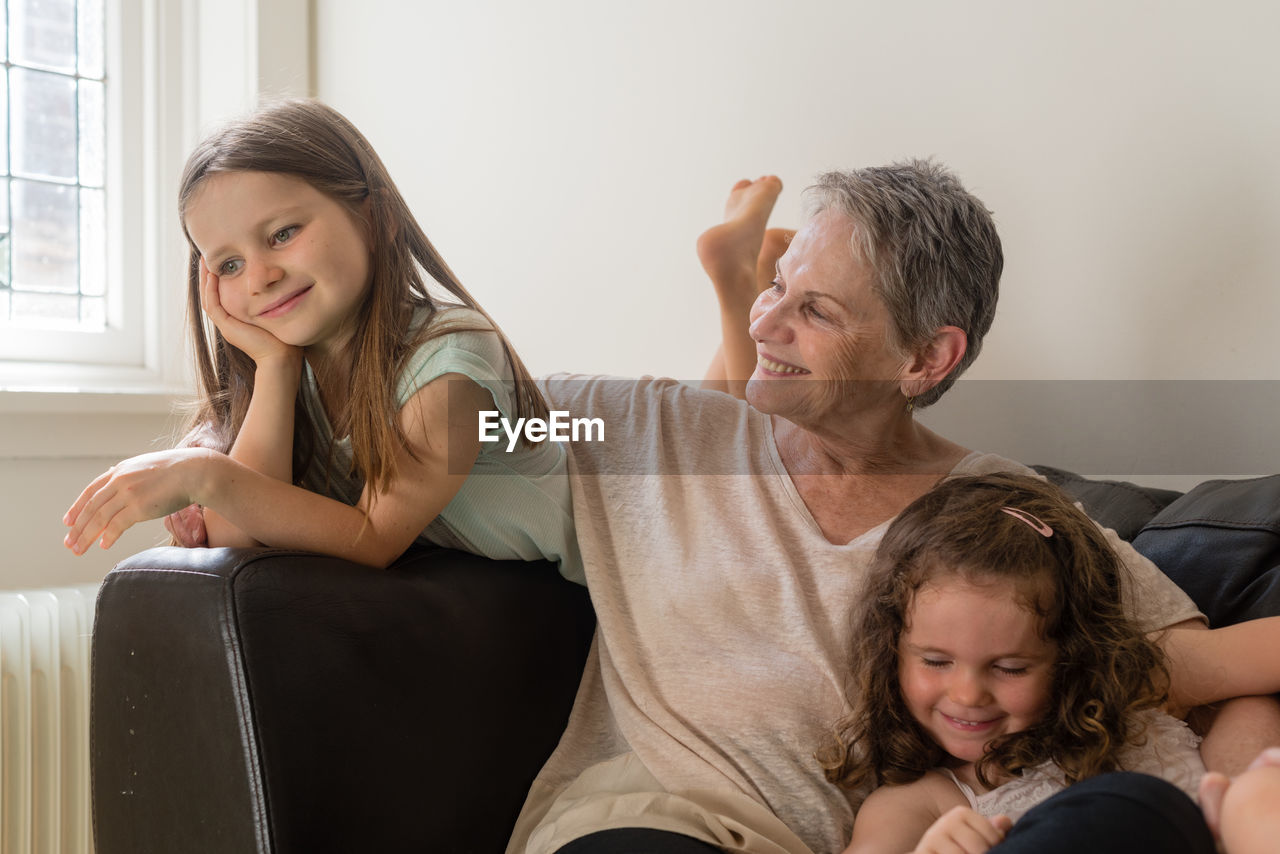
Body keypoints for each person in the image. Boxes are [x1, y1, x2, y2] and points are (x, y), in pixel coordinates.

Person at [505, 162, 1279, 854]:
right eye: (775, 287)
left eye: (816, 311)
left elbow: (1207, 680)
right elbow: (468, 418)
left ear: (923, 359)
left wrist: (1234, 817)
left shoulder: (1001, 515)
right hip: (661, 823)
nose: (765, 324)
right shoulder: (653, 430)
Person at [62, 99, 581, 582]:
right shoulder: (291, 368)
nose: (259, 277)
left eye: (283, 233)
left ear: (376, 220)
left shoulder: (451, 361)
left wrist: (208, 476)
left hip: (573, 593)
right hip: (469, 596)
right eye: (229, 264)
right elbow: (236, 542)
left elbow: (373, 537)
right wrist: (275, 368)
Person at [823, 471, 1280, 854]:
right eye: (936, 661)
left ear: (1073, 655)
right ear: (893, 651)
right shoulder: (919, 803)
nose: (967, 694)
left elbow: (1251, 683)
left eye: (1010, 668)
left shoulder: (1142, 700)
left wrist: (1245, 788)